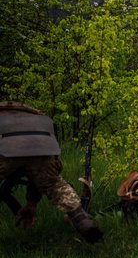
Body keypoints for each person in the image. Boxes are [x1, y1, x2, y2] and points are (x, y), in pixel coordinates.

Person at [0, 101, 102, 242]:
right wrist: (32, 202)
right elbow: (38, 169)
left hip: (4, 144)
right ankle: (82, 220)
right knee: (55, 185)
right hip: (41, 142)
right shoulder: (30, 111)